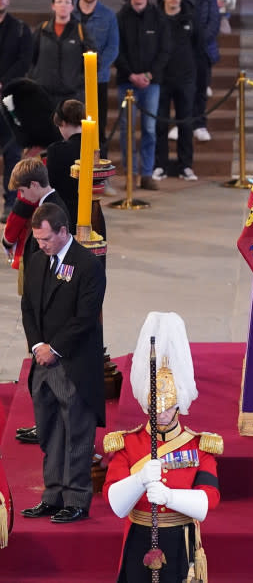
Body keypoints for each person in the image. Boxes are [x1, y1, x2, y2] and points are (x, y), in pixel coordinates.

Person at [103, 311, 221, 582]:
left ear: (179, 404)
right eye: (157, 408)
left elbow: (208, 500)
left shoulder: (199, 445)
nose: (163, 414)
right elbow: (115, 502)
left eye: (168, 408)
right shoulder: (128, 443)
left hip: (180, 540)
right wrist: (140, 480)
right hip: (140, 536)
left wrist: (170, 497)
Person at [19, 202, 106, 524]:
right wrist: (38, 345)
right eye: (38, 240)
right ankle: (52, 496)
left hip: (74, 366)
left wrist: (55, 348)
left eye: (46, 240)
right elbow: (28, 307)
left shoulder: (87, 265)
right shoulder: (38, 260)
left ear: (63, 231)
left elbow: (85, 318)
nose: (41, 246)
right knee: (49, 433)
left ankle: (76, 500)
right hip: (43, 364)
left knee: (76, 436)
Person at [115, 0, 171, 191]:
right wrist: (131, 74)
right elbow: (117, 51)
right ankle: (130, 173)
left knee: (149, 127)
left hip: (151, 83)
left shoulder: (158, 17)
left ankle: (147, 173)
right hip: (126, 82)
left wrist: (149, 75)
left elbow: (165, 50)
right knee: (126, 129)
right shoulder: (120, 18)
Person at [153, 0, 200, 181]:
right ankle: (159, 165)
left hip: (186, 79)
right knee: (160, 124)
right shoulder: (154, 18)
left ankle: (185, 166)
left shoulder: (191, 17)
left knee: (186, 123)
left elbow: (199, 48)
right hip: (161, 79)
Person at [73, 0, 119, 160]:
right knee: (73, 126)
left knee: (98, 126)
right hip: (72, 81)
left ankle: (100, 175)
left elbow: (113, 47)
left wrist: (95, 70)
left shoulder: (108, 16)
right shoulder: (70, 13)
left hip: (98, 80)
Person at [0, 0, 33, 223]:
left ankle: (10, 201)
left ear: (8, 0)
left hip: (10, 98)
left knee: (11, 151)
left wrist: (4, 82)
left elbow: (25, 60)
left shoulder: (20, 28)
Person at [30, 0, 95, 103]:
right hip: (44, 94)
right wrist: (35, 78)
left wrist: (78, 81)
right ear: (53, 6)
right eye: (59, 2)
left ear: (72, 7)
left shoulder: (80, 31)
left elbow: (93, 60)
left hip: (72, 96)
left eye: (67, 2)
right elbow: (30, 57)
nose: (63, 5)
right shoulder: (42, 29)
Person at [179, 0, 220, 143]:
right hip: (180, 52)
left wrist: (199, 41)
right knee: (183, 91)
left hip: (203, 51)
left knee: (201, 90)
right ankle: (183, 123)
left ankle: (199, 124)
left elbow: (214, 22)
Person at [8, 157, 72, 272]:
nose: (22, 196)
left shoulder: (50, 211)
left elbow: (50, 254)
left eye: (22, 190)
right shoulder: (50, 204)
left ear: (34, 184)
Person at [46, 100, 84, 226]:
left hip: (65, 215)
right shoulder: (95, 147)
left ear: (62, 122)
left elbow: (51, 185)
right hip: (93, 213)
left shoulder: (56, 150)